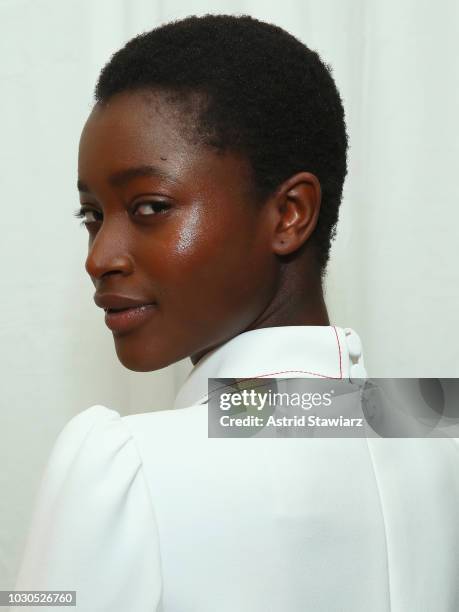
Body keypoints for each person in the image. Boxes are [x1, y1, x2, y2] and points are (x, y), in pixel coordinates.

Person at [12, 14, 459, 612]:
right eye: (92, 216)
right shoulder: (429, 422)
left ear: (289, 214)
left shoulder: (129, 468)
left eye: (149, 207)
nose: (99, 258)